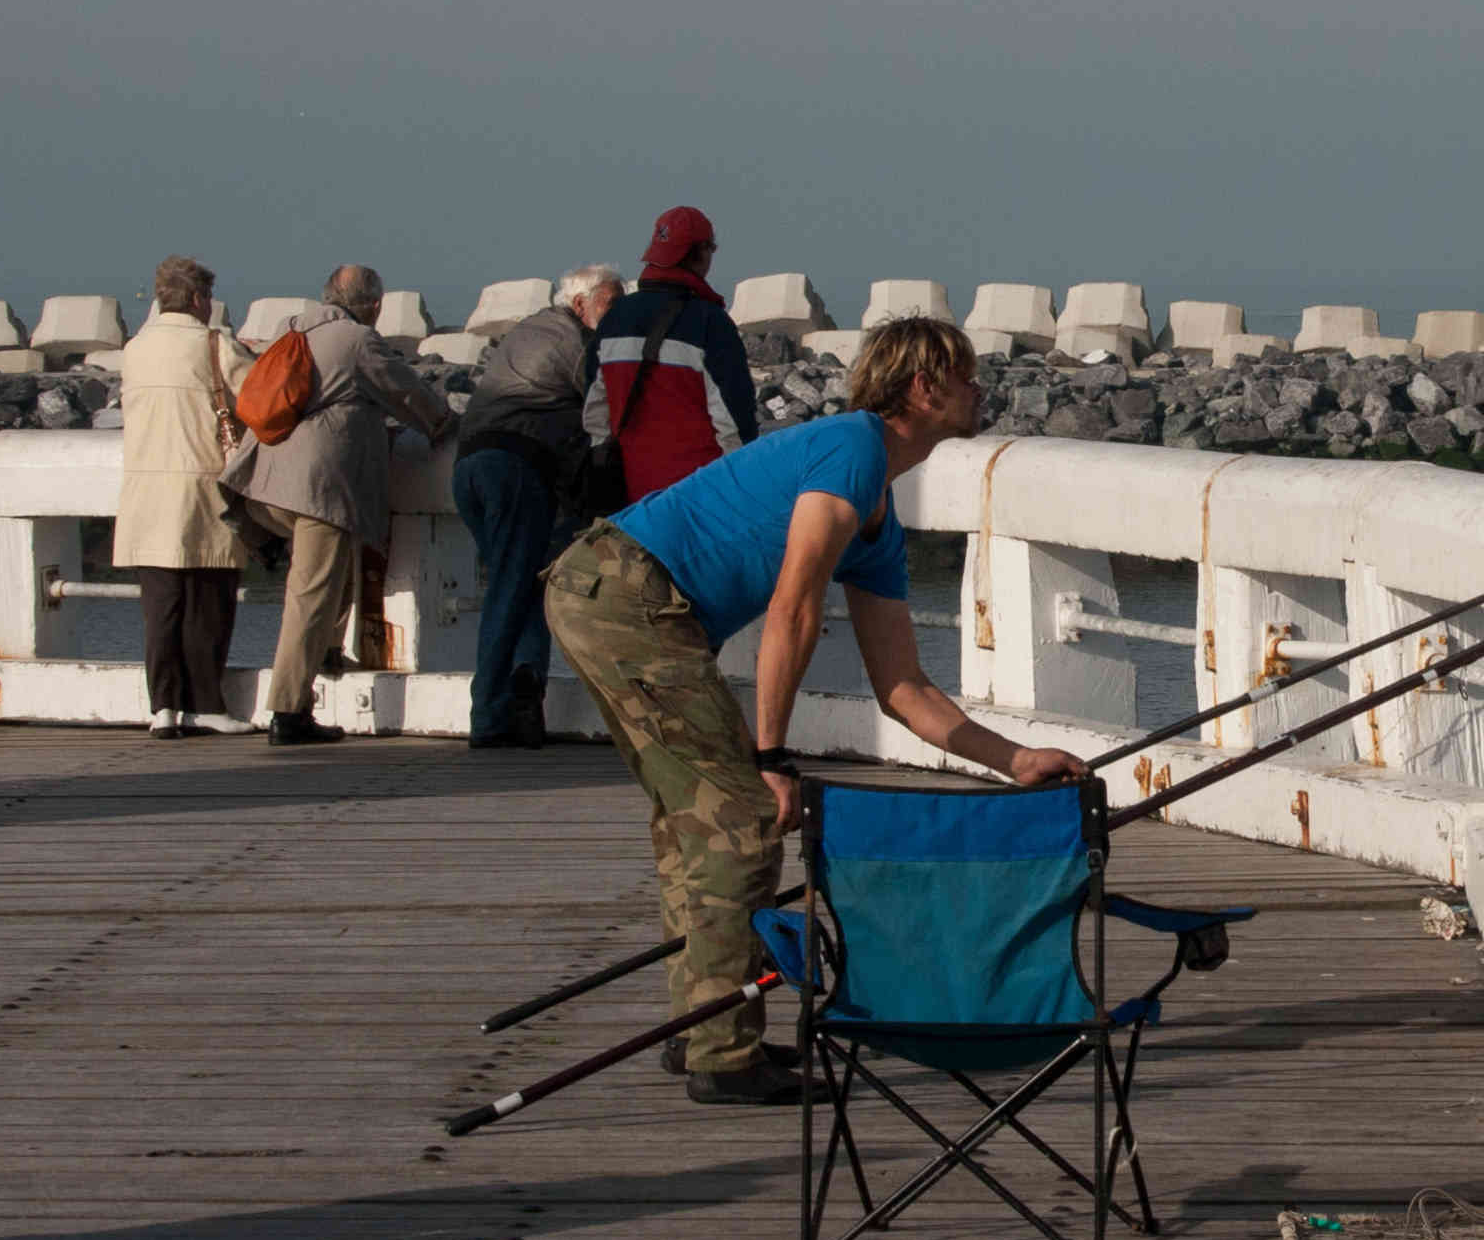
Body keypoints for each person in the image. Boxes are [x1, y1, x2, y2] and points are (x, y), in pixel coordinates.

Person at [544, 317, 1082, 1105]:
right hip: (625, 593)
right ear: (923, 388)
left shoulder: (877, 520)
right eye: (965, 376)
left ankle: (703, 1030)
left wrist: (1015, 760)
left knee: (699, 823)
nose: (980, 390)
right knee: (741, 823)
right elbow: (793, 610)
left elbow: (902, 689)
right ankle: (723, 1055)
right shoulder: (853, 449)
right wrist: (771, 760)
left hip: (607, 592)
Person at [219, 265, 457, 745]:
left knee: (332, 568)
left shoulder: (296, 328)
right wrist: (444, 425)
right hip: (317, 490)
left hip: (267, 479)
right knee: (308, 596)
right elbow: (408, 393)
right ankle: (288, 712)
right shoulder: (357, 341)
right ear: (373, 305)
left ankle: (327, 652)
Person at [450, 263, 622, 748]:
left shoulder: (526, 331)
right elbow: (603, 413)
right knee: (511, 590)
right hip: (514, 471)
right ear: (579, 304)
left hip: (470, 467)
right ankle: (488, 715)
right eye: (611, 302)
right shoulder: (579, 346)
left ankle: (525, 695)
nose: (618, 312)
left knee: (521, 587)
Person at [113, 256, 260, 739]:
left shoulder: (134, 348)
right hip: (202, 487)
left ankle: (164, 708)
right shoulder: (214, 343)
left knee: (162, 606)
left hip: (146, 490)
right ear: (199, 299)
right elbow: (256, 400)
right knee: (209, 602)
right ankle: (207, 704)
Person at [581, 205, 755, 506]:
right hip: (697, 495)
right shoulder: (709, 322)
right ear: (702, 253)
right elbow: (733, 421)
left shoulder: (614, 318)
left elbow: (595, 408)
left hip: (632, 494)